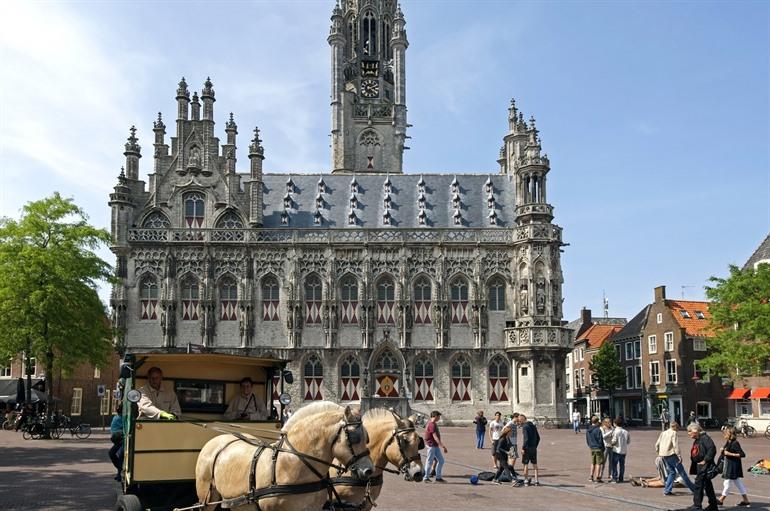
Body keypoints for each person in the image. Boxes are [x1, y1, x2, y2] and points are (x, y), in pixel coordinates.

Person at [685, 423, 719, 511]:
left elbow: (712, 449)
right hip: (700, 465)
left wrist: (705, 460)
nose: (688, 433)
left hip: (704, 466)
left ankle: (697, 505)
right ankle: (713, 505)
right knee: (708, 486)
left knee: (698, 485)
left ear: (695, 431)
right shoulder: (698, 439)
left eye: (690, 431)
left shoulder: (705, 438)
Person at [656, 421, 696, 495]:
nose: (678, 430)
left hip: (664, 455)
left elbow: (657, 444)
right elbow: (675, 445)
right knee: (682, 472)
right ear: (675, 427)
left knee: (672, 472)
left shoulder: (663, 433)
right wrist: (679, 455)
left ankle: (667, 490)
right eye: (678, 428)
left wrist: (658, 453)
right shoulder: (673, 433)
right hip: (672, 455)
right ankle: (694, 489)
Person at [718, 426, 749, 507]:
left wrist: (730, 454)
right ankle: (746, 500)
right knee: (738, 482)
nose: (724, 434)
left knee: (727, 482)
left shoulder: (735, 443)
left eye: (726, 432)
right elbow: (725, 452)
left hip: (733, 466)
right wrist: (722, 450)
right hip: (729, 465)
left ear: (730, 434)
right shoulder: (728, 442)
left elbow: (742, 454)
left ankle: (721, 499)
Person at [422, 410, 448, 483]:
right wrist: (442, 446)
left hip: (435, 445)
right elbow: (435, 436)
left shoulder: (433, 424)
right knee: (429, 461)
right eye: (439, 417)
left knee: (441, 461)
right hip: (431, 445)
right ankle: (426, 477)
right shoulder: (431, 424)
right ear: (435, 416)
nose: (439, 418)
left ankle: (438, 477)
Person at [518, 414, 540, 486]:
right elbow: (538, 437)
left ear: (523, 420)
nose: (519, 422)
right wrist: (535, 446)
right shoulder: (533, 426)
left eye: (520, 421)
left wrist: (523, 448)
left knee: (525, 464)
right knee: (535, 464)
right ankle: (536, 481)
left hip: (527, 448)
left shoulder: (525, 427)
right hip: (533, 448)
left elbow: (526, 439)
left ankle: (526, 480)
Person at [609, 417, 630, 483]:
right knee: (622, 465)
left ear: (615, 424)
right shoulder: (626, 432)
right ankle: (621, 478)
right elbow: (628, 441)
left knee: (614, 465)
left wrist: (611, 444)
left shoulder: (616, 431)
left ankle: (614, 478)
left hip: (616, 450)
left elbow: (614, 441)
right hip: (623, 451)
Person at [586, 416, 604, 483]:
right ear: (597, 422)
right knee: (598, 463)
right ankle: (597, 477)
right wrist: (602, 447)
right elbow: (600, 440)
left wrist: (590, 445)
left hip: (592, 448)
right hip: (598, 448)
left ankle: (591, 476)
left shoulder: (588, 430)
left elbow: (587, 440)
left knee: (593, 462)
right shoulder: (598, 430)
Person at [108, 402, 124, 481]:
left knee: (121, 454)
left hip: (122, 439)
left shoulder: (123, 418)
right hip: (118, 439)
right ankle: (120, 471)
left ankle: (120, 473)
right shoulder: (118, 417)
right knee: (112, 454)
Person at [598, 417, 614, 482]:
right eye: (609, 422)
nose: (610, 423)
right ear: (605, 423)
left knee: (611, 462)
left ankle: (610, 474)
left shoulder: (612, 428)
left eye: (610, 422)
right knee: (603, 462)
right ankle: (600, 475)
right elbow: (603, 436)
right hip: (605, 446)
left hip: (611, 446)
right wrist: (610, 432)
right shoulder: (602, 428)